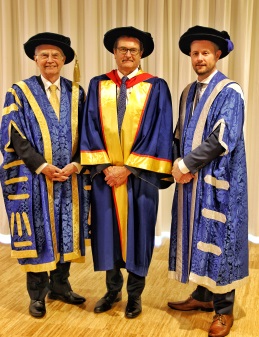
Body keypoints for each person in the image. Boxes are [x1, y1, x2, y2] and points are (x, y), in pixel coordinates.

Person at [80, 26, 173, 318]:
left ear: (141, 53)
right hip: (106, 176)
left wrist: (129, 168)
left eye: (133, 50)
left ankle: (134, 296)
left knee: (139, 234)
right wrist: (107, 168)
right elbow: (89, 128)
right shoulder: (98, 85)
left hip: (139, 177)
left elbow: (160, 133)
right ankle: (111, 291)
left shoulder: (156, 87)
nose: (128, 54)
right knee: (106, 233)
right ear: (114, 52)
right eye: (123, 49)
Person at [0, 32, 90, 318]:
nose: (50, 60)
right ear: (35, 59)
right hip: (36, 178)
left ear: (64, 60)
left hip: (69, 177)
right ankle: (37, 294)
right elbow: (13, 133)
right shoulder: (19, 91)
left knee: (66, 230)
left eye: (55, 55)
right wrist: (41, 165)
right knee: (39, 232)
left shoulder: (77, 92)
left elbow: (90, 134)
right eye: (44, 55)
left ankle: (61, 286)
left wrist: (77, 164)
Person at [168, 25, 248, 337]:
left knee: (219, 240)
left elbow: (222, 138)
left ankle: (223, 311)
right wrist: (173, 165)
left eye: (205, 53)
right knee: (195, 236)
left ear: (217, 54)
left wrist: (186, 164)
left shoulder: (231, 91)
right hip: (191, 181)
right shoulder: (188, 91)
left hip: (218, 182)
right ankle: (202, 296)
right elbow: (180, 133)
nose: (199, 58)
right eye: (194, 53)